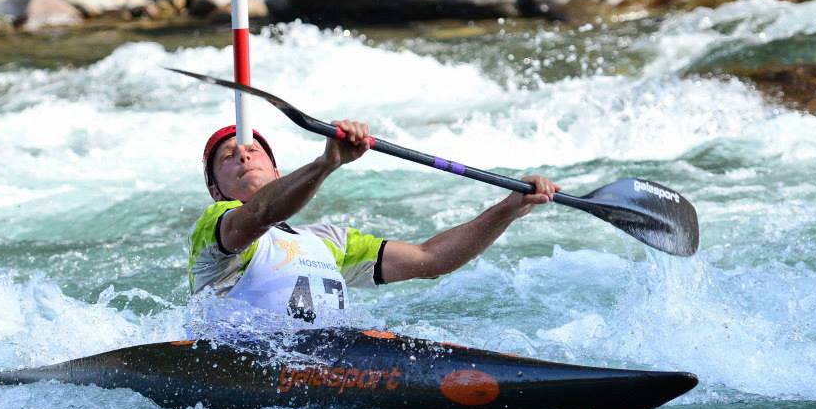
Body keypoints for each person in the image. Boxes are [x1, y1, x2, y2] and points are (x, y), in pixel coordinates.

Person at [188, 120, 559, 325]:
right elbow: (261, 215)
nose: (243, 156)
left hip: (330, 361)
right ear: (215, 190)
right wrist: (327, 164)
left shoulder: (328, 241)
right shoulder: (216, 226)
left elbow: (430, 260)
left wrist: (508, 208)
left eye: (253, 150)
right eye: (228, 157)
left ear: (277, 170)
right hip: (242, 360)